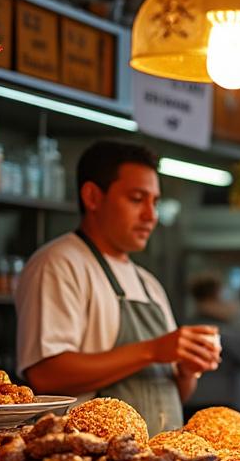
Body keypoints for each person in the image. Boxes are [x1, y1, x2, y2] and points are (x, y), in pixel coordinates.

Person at [15, 140, 220, 435]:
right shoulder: (59, 263)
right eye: (137, 199)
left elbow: (174, 395)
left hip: (162, 460)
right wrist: (152, 350)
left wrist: (187, 370)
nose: (151, 216)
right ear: (93, 197)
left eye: (155, 202)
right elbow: (45, 374)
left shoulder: (148, 283)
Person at [184, 273, 240, 419]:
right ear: (215, 298)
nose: (233, 305)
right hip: (224, 405)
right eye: (227, 298)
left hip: (193, 403)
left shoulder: (186, 327)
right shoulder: (221, 332)